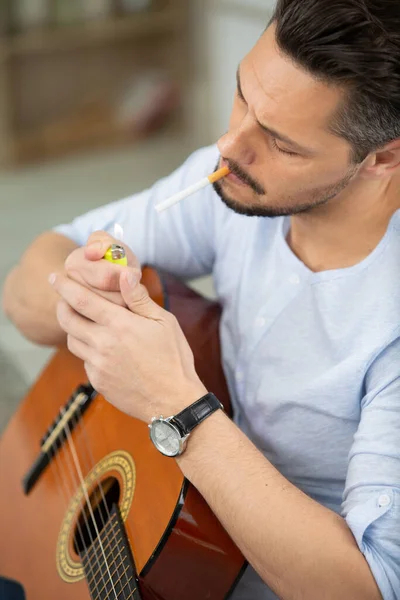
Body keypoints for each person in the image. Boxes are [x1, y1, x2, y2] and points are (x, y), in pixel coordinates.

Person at [3, 1, 400, 598]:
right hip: (169, 507)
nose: (230, 143)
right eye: (242, 95)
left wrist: (175, 405)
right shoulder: (230, 177)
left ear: (384, 158)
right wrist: (82, 294)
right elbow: (30, 278)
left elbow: (367, 587)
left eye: (282, 144)